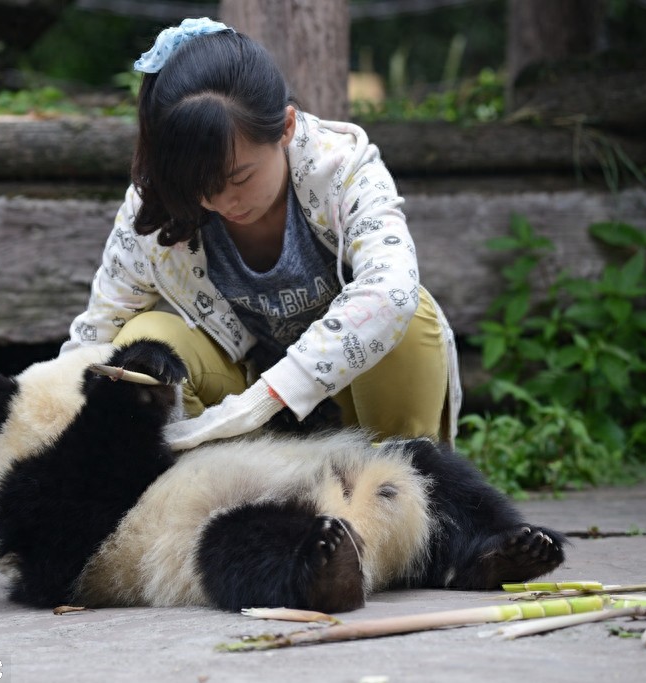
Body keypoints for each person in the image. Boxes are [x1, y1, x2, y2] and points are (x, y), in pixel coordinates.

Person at [61, 18, 462, 451]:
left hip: (353, 403)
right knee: (141, 342)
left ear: (285, 127)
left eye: (240, 177)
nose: (224, 202)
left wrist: (269, 395)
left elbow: (392, 289)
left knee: (409, 309)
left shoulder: (344, 169)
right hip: (237, 427)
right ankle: (211, 497)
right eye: (201, 187)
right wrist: (27, 465)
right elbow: (96, 337)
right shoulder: (158, 206)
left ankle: (405, 492)